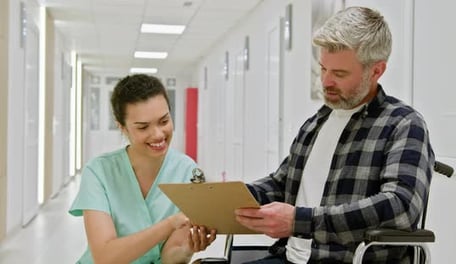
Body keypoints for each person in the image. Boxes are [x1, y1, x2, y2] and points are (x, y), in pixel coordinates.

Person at [235, 6, 434, 264]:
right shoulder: (316, 123)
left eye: (339, 74)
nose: (326, 81)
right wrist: (224, 204)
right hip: (289, 257)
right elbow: (282, 184)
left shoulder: (403, 124)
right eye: (323, 68)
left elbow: (400, 207)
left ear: (376, 71)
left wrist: (300, 221)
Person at [69, 74, 216, 264]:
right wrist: (169, 225)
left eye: (164, 121)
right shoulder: (99, 172)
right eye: (143, 127)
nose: (157, 134)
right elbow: (105, 257)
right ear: (122, 127)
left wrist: (188, 248)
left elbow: (170, 257)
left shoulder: (187, 171)